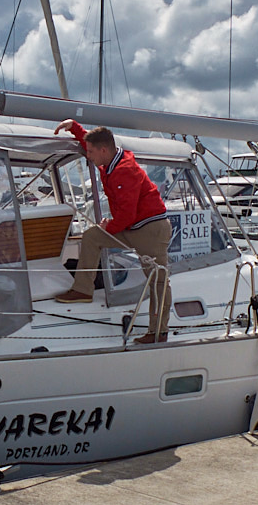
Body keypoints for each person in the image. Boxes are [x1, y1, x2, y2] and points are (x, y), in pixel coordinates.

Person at [53, 120, 171, 344]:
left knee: (157, 281)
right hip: (133, 226)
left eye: (90, 152)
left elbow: (127, 215)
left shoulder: (124, 171)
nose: (88, 155)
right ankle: (83, 290)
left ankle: (158, 333)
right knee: (91, 237)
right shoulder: (109, 161)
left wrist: (110, 226)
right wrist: (75, 128)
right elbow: (93, 140)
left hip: (151, 229)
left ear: (103, 150)